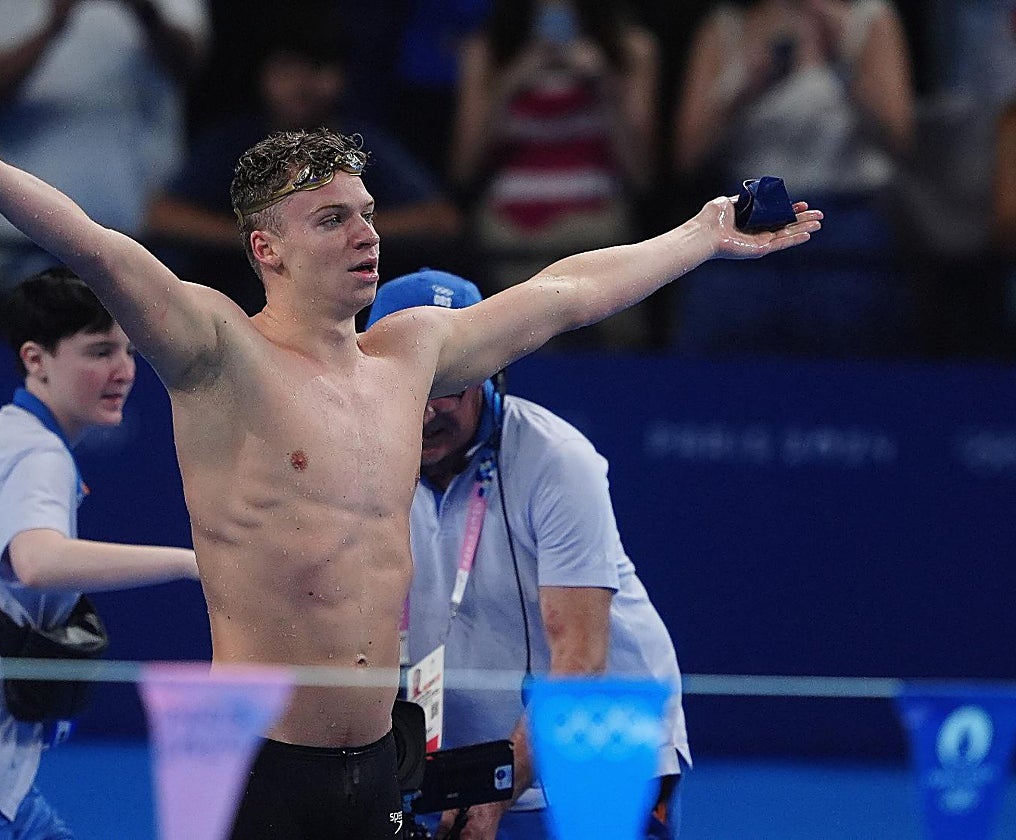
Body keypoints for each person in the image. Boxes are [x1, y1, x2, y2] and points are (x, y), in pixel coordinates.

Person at [0, 54, 820, 839]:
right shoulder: (215, 355)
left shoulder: (410, 354)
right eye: (333, 219)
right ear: (265, 250)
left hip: (382, 763)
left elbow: (566, 291)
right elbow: (97, 249)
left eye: (365, 213)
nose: (367, 234)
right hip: (258, 771)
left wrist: (701, 235)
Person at [366, 269, 689, 840]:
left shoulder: (557, 461)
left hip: (601, 744)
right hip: (464, 756)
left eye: (448, 381)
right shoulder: (359, 467)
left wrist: (497, 788)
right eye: (410, 381)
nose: (424, 410)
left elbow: (580, 656)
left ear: (491, 371)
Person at [0, 267, 200, 838]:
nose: (123, 371)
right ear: (36, 359)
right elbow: (37, 561)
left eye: (127, 351)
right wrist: (188, 563)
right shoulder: (35, 453)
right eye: (99, 351)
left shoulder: (10, 437)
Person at [144, 6, 461, 314]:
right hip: (245, 306)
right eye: (287, 70)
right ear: (264, 76)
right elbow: (164, 215)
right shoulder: (233, 144)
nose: (302, 85)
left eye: (316, 69)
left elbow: (440, 219)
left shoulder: (361, 144)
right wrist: (262, 236)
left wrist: (342, 228)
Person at [670, 0, 915, 358]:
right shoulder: (725, 27)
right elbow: (687, 157)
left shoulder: (870, 19)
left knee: (854, 359)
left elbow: (900, 139)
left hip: (844, 221)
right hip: (748, 221)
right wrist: (745, 88)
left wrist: (847, 62)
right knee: (723, 358)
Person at [0, 0, 208, 306]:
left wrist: (144, 11)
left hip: (148, 250)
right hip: (26, 251)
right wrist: (55, 24)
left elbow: (193, 65)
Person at [448, 0, 661, 348]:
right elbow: (463, 168)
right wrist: (509, 84)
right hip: (510, 237)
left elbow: (643, 175)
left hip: (597, 234)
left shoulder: (632, 48)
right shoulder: (489, 48)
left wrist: (604, 85)